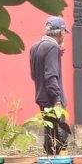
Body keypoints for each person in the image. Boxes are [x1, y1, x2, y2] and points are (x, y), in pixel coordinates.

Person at [29, 16, 70, 155]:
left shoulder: (35, 47)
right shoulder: (52, 48)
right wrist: (57, 99)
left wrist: (57, 53)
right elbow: (51, 75)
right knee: (60, 138)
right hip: (53, 99)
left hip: (41, 97)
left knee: (49, 134)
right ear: (61, 32)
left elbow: (34, 74)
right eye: (64, 32)